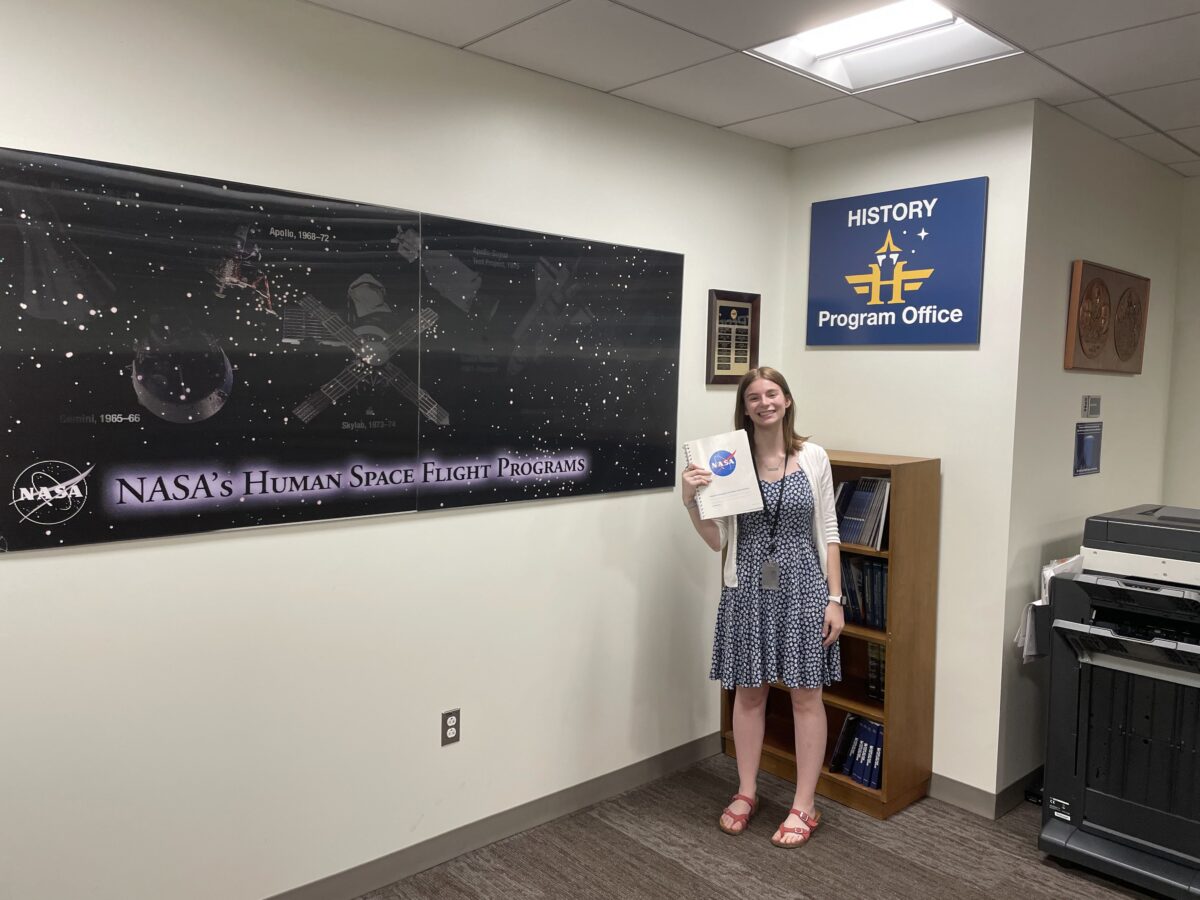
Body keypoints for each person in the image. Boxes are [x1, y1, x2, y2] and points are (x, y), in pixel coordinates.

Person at [681, 366, 844, 848]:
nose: (764, 402)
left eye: (772, 393)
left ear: (787, 401)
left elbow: (830, 533)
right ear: (745, 407)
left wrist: (834, 599)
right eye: (754, 396)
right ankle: (747, 791)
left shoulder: (812, 457)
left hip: (803, 589)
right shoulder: (727, 461)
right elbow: (717, 541)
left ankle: (804, 805)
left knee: (804, 696)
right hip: (747, 588)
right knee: (749, 694)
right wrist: (691, 500)